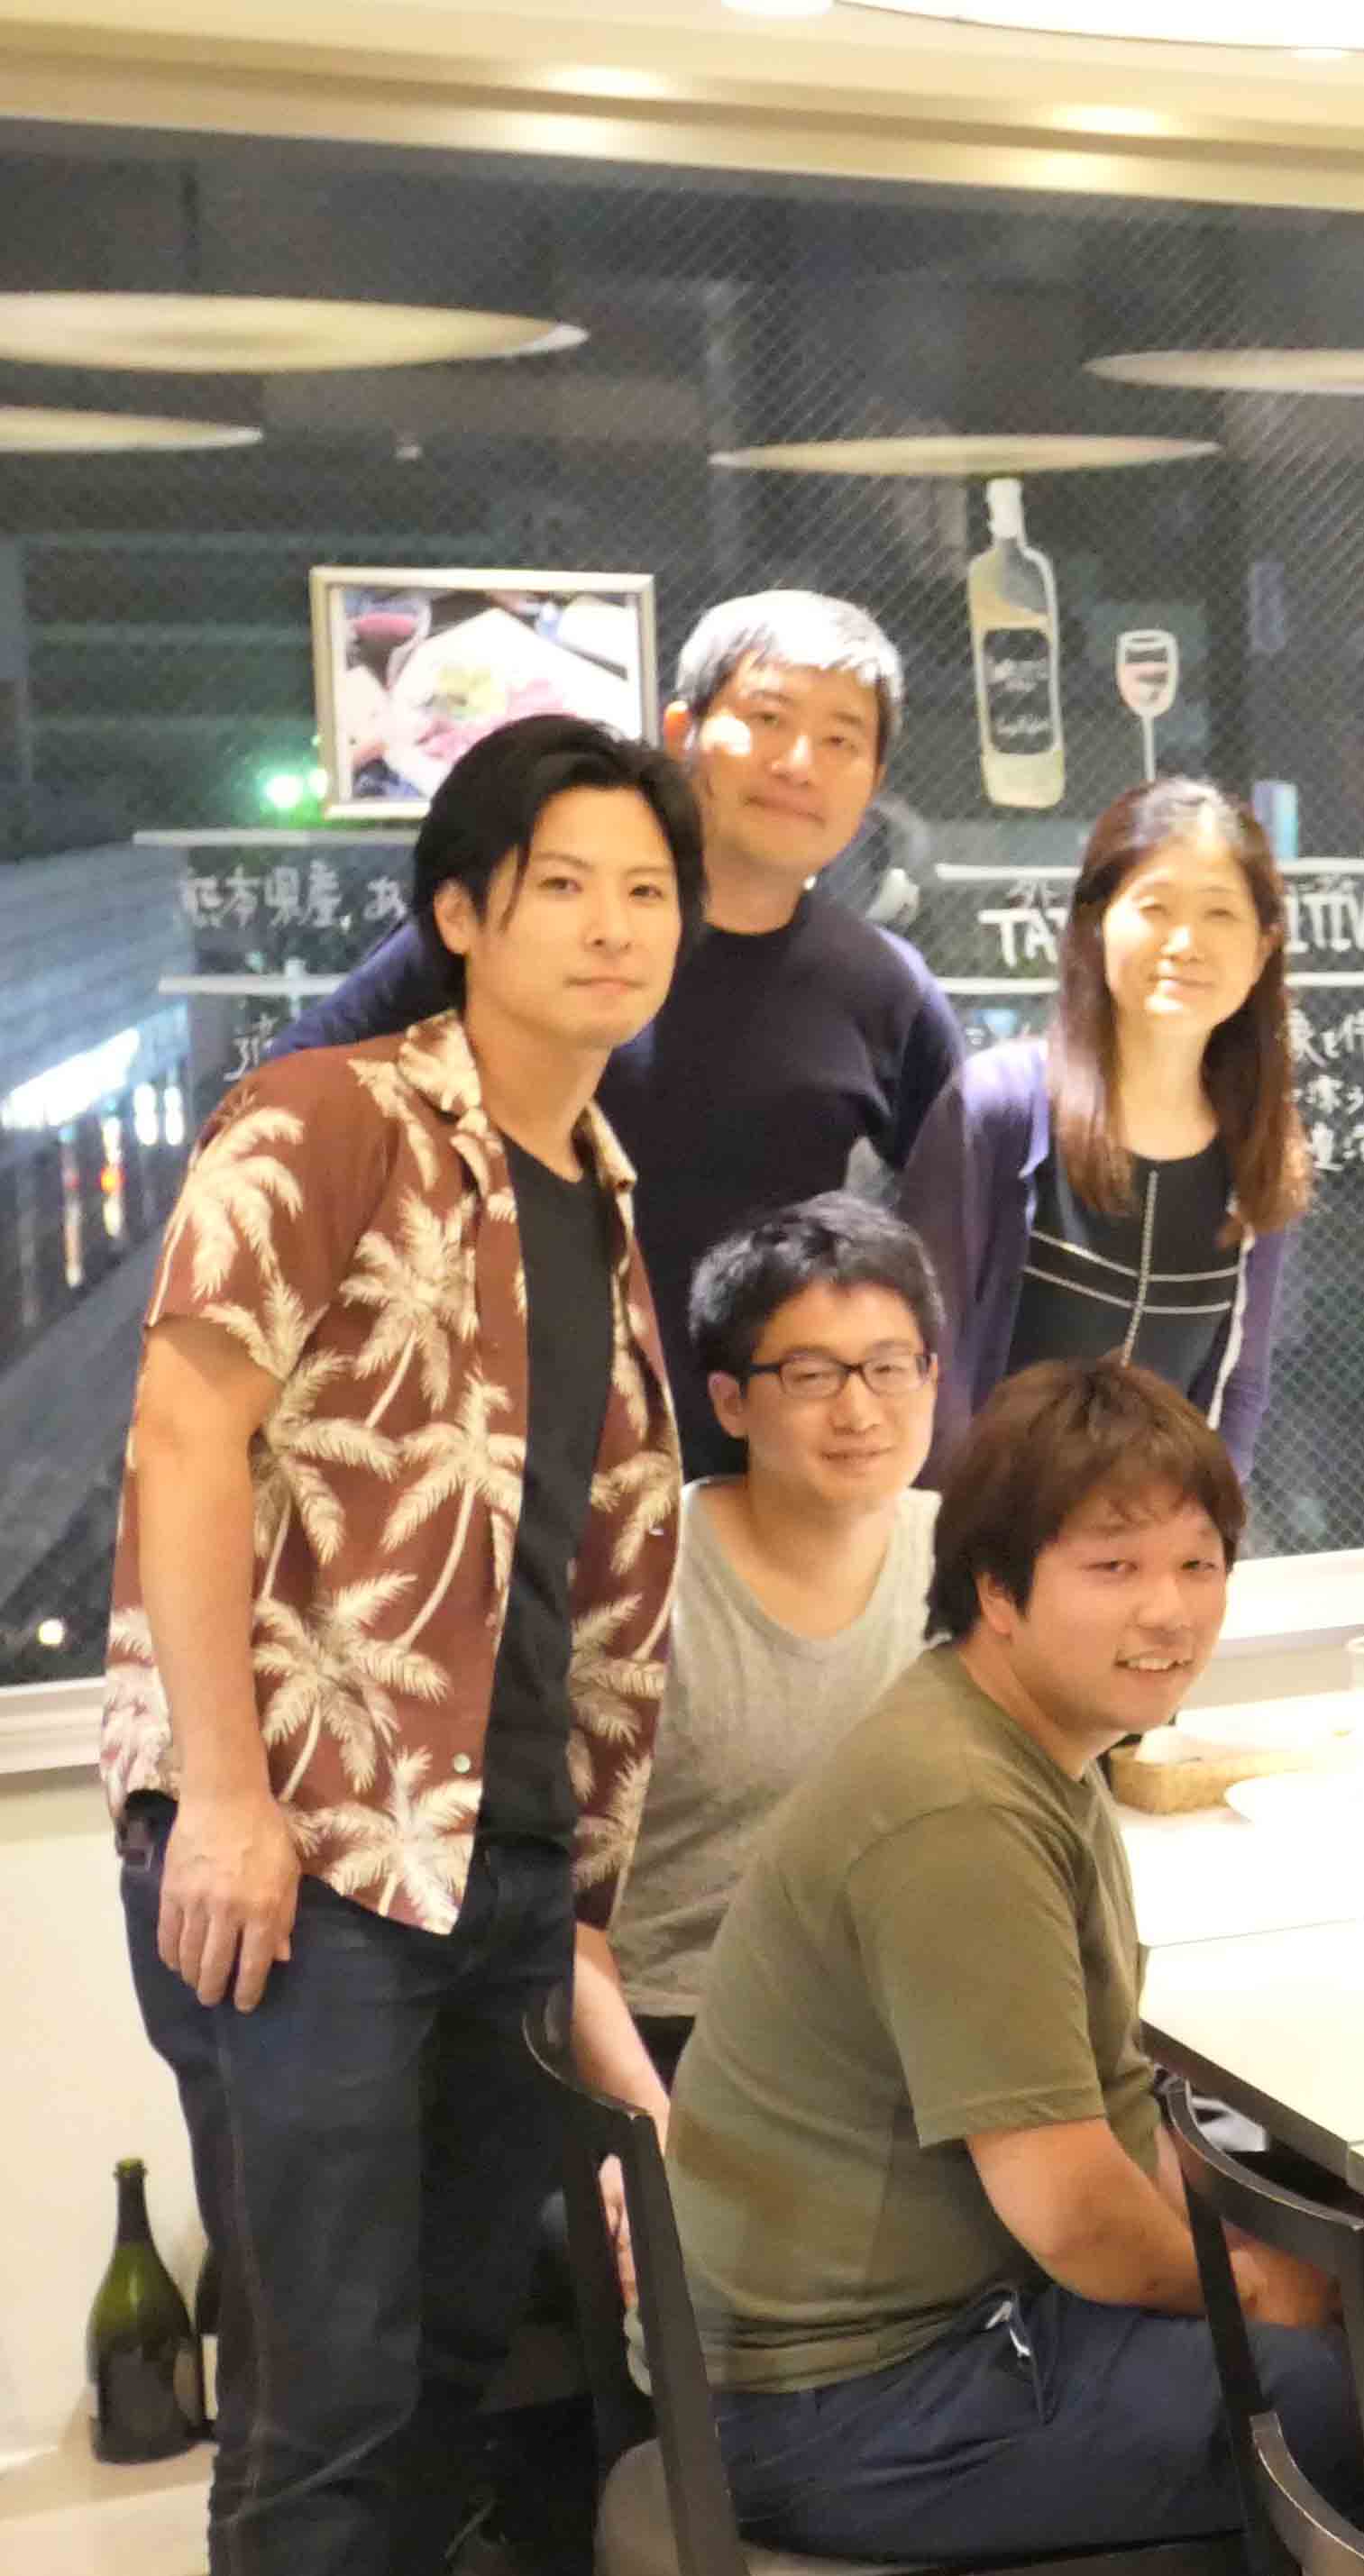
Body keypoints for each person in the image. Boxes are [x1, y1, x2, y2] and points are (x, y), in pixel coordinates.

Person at [109, 717, 696, 2576]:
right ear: (461, 911)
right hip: (316, 1848)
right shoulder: (328, 1116)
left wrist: (584, 1904)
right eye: (566, 885)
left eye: (649, 890)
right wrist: (224, 1795)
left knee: (453, 2365)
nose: (615, 926)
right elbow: (183, 1433)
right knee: (321, 2388)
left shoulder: (599, 1191)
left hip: (509, 1865)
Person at [673, 1361, 1364, 2576]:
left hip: (867, 2344)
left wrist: (1278, 2273)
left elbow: (1112, 2114)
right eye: (1113, 1567)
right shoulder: (960, 1809)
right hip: (834, 2404)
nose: (1168, 1609)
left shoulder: (1025, 1742)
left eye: (1197, 1563)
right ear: (997, 1588)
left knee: (1332, 2328)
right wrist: (1263, 2288)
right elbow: (1076, 2216)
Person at [277, 590, 963, 1480]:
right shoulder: (536, 912)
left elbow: (958, 1228)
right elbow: (291, 1102)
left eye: (842, 740)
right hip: (477, 1458)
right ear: (683, 730)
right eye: (767, 719)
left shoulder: (885, 988)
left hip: (742, 1482)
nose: (800, 763)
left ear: (873, 779)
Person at [610, 1192, 948, 2075]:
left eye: (889, 1367)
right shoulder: (639, 1584)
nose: (859, 1412)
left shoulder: (975, 1562)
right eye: (811, 1375)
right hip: (680, 2032)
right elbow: (550, 1906)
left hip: (908, 2028)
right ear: (730, 1402)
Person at [896, 780, 1311, 1477]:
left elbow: (1241, 1384)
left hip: (1157, 1531)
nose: (1185, 943)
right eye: (1155, 907)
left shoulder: (1261, 1144)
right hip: (987, 1525)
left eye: (1220, 913)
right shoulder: (998, 1106)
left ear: (1263, 945)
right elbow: (919, 1359)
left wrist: (1208, 1526)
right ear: (1095, 922)